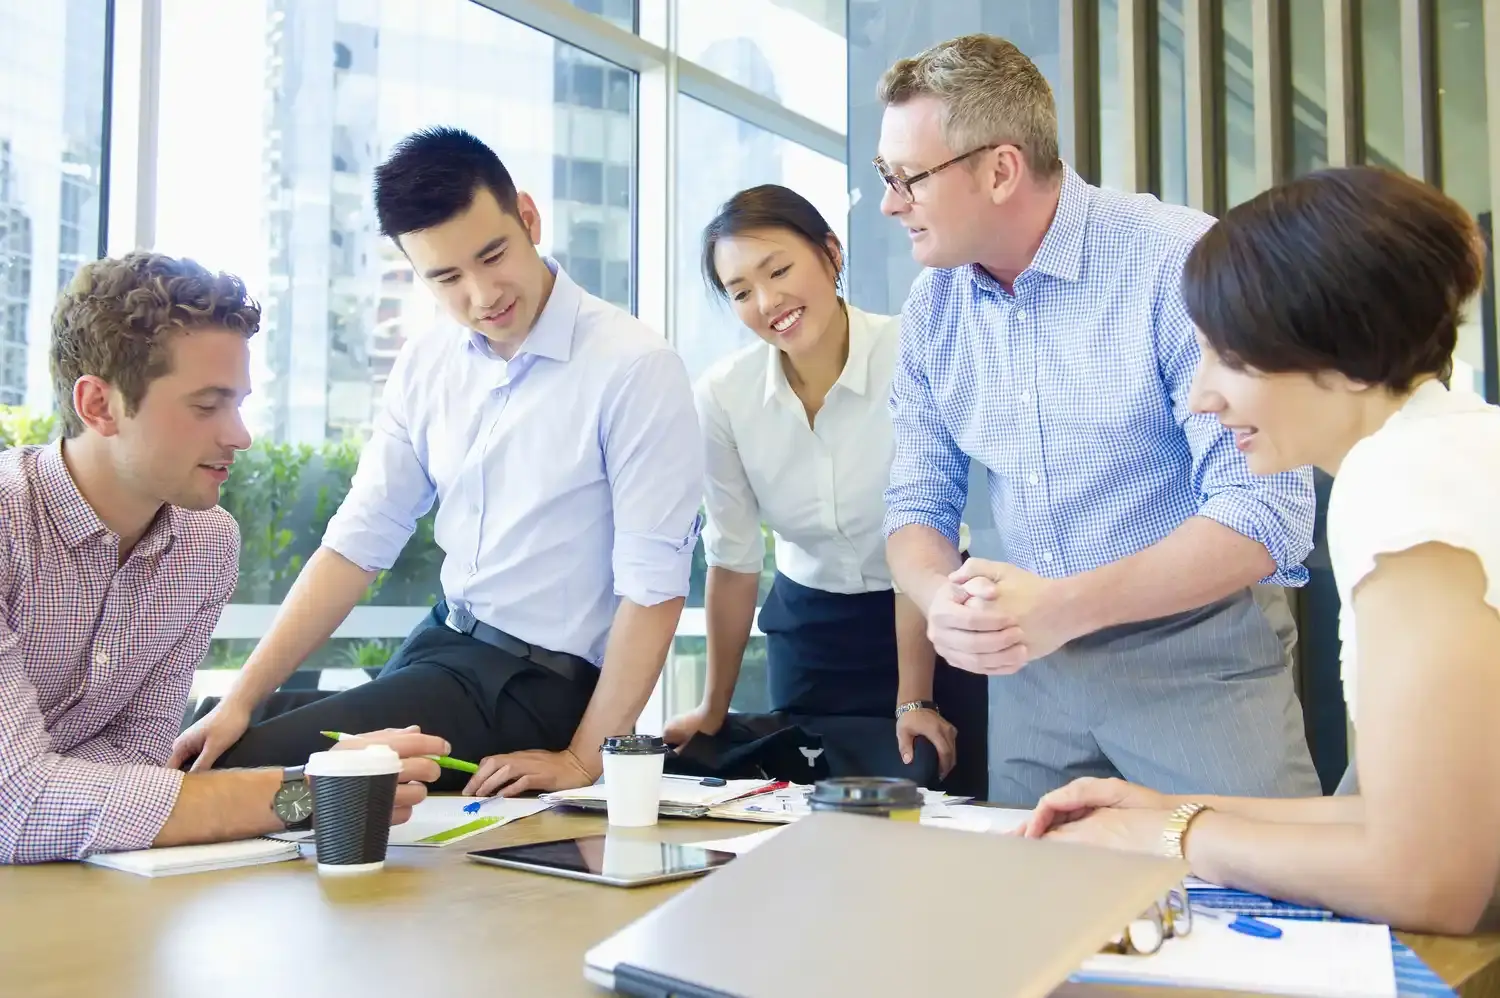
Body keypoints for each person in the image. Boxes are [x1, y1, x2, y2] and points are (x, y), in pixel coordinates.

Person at [1020, 167, 1500, 935]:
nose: (1202, 396)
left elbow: (1430, 878)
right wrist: (1174, 810)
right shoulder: (1451, 446)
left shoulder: (1407, 483)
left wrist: (1169, 836)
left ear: (1341, 349)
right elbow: (1407, 819)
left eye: (1229, 358)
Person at [169, 127, 704, 798]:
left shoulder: (634, 367)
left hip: (536, 687)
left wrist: (581, 758)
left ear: (529, 219)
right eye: (447, 278)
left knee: (251, 769)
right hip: (439, 646)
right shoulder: (428, 363)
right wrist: (241, 696)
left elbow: (654, 587)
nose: (482, 296)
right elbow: (358, 541)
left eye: (493, 256)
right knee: (208, 731)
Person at [874, 34, 1322, 805]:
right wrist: (940, 598)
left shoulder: (1179, 261)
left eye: (907, 178)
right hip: (1031, 680)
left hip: (1196, 662)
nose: (889, 203)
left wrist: (1061, 606)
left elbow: (1268, 513)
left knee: (1259, 910)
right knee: (1039, 919)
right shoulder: (932, 311)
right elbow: (916, 508)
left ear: (1000, 169)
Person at [0, 252, 443, 864]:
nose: (239, 435)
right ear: (99, 405)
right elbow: (15, 804)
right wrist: (309, 793)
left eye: (238, 403)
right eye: (207, 406)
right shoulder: (7, 525)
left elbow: (133, 766)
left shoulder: (205, 546)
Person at [663, 184, 986, 786]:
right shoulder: (723, 398)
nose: (767, 301)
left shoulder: (909, 350)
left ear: (831, 254)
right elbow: (733, 559)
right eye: (740, 292)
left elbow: (923, 527)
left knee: (939, 818)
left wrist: (913, 697)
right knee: (804, 819)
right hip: (811, 637)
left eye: (779, 269)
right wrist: (713, 708)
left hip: (932, 618)